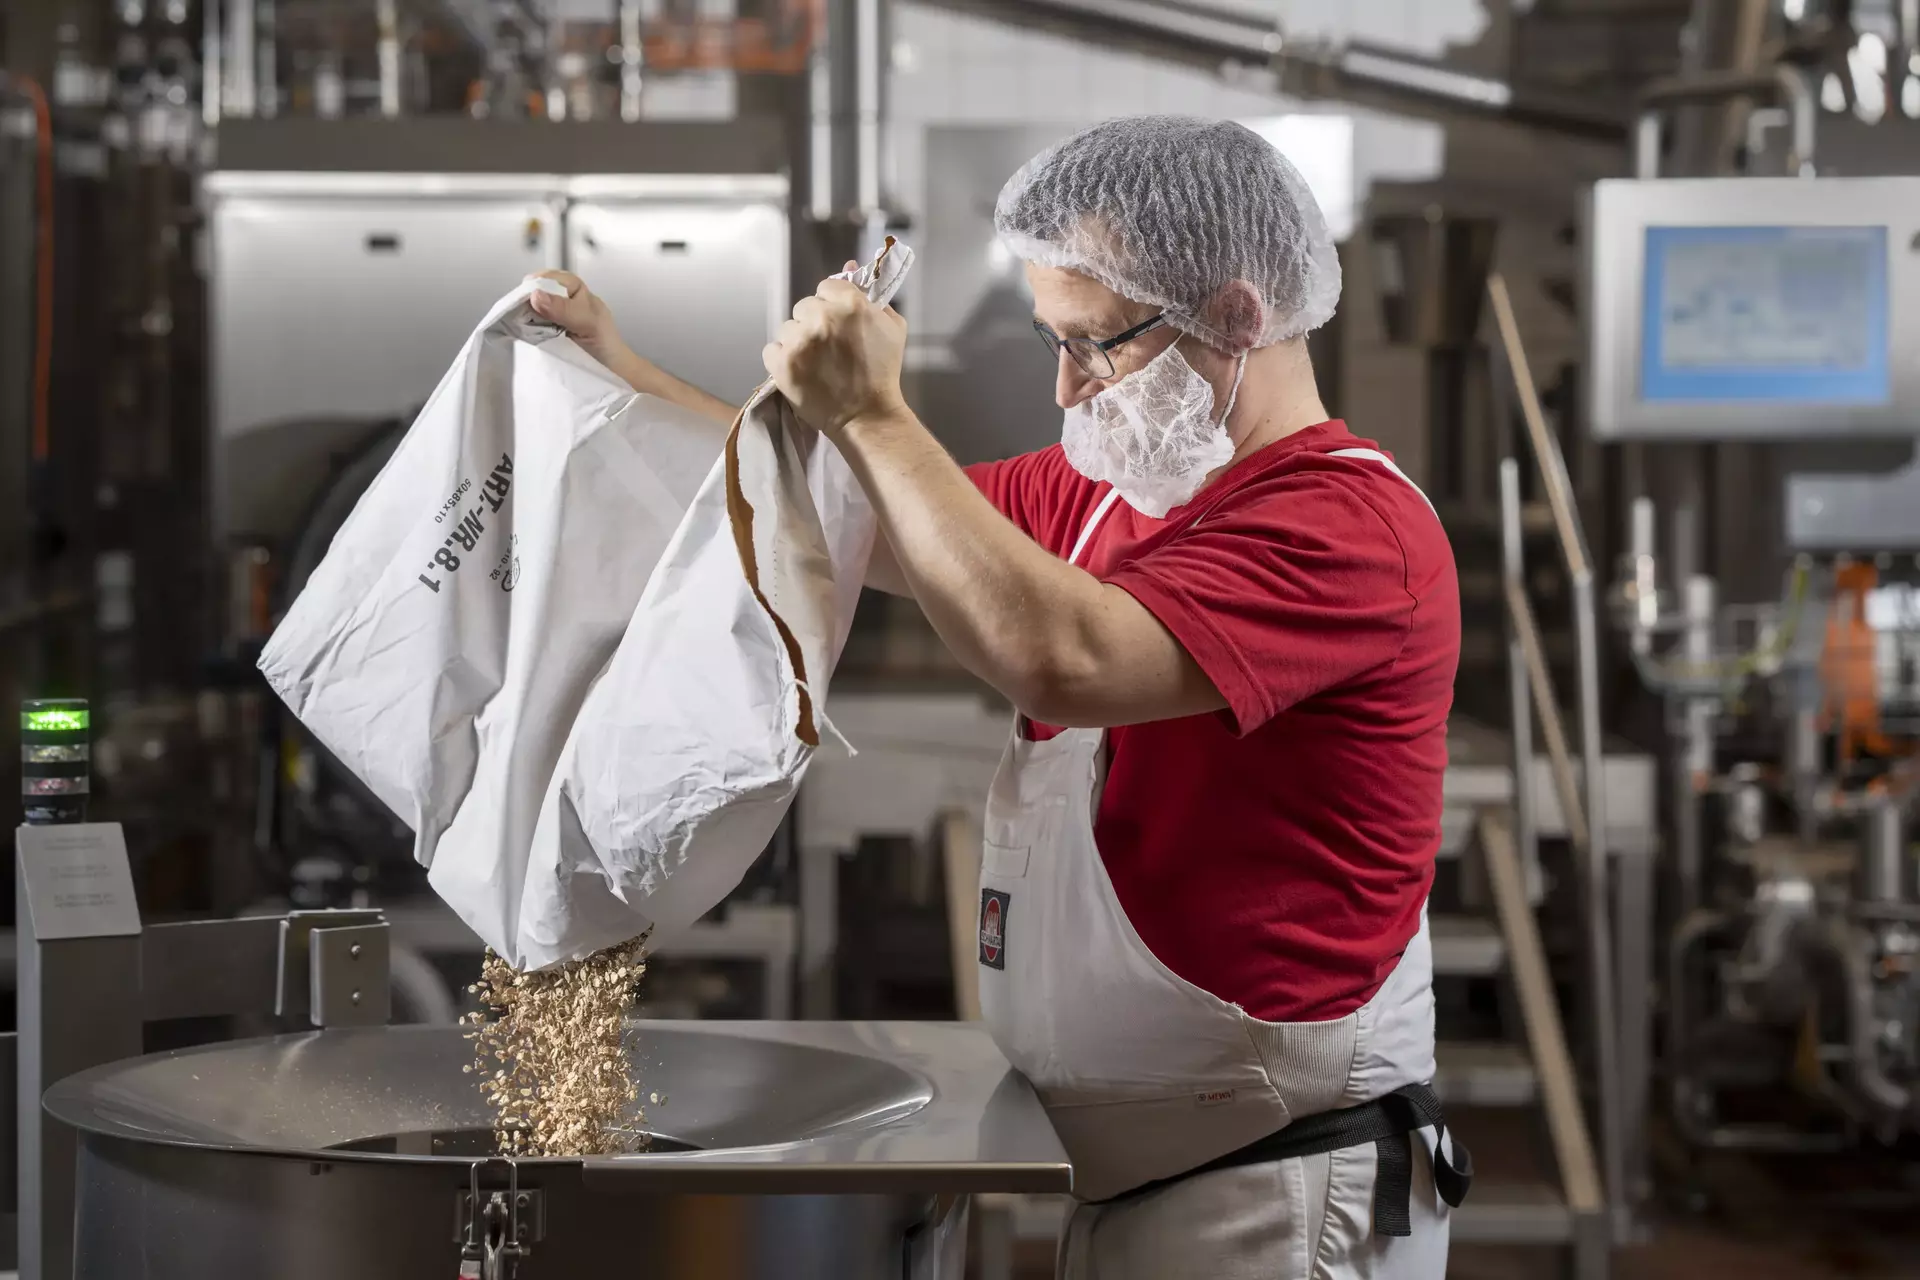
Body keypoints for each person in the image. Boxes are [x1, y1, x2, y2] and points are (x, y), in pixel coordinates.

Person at [529, 114, 1466, 1280]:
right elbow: (824, 502)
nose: (1066, 386)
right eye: (1050, 340)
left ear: (1236, 317)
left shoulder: (1345, 523)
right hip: (1146, 1175)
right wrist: (617, 365)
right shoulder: (1106, 492)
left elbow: (1060, 654)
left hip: (1278, 1194)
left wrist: (873, 409)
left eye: (1095, 343)